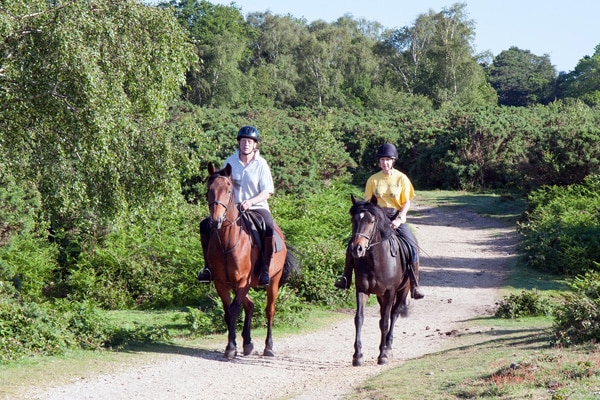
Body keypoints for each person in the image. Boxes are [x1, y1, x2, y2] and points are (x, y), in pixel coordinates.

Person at [334, 143, 425, 299]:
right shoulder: (373, 180)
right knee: (353, 245)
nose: (385, 163)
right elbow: (367, 203)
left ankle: (415, 285)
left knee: (412, 246)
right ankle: (346, 278)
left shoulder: (402, 179)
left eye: (388, 160)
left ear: (393, 160)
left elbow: (406, 201)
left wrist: (399, 218)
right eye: (382, 160)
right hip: (376, 218)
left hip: (395, 217)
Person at [197, 125, 276, 287]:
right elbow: (222, 185)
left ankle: (265, 271)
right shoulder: (230, 162)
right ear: (239, 143)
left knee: (269, 226)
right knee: (205, 225)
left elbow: (267, 191)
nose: (246, 144)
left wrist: (251, 202)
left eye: (249, 141)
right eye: (243, 141)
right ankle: (208, 268)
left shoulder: (261, 164)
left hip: (256, 208)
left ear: (255, 145)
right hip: (233, 209)